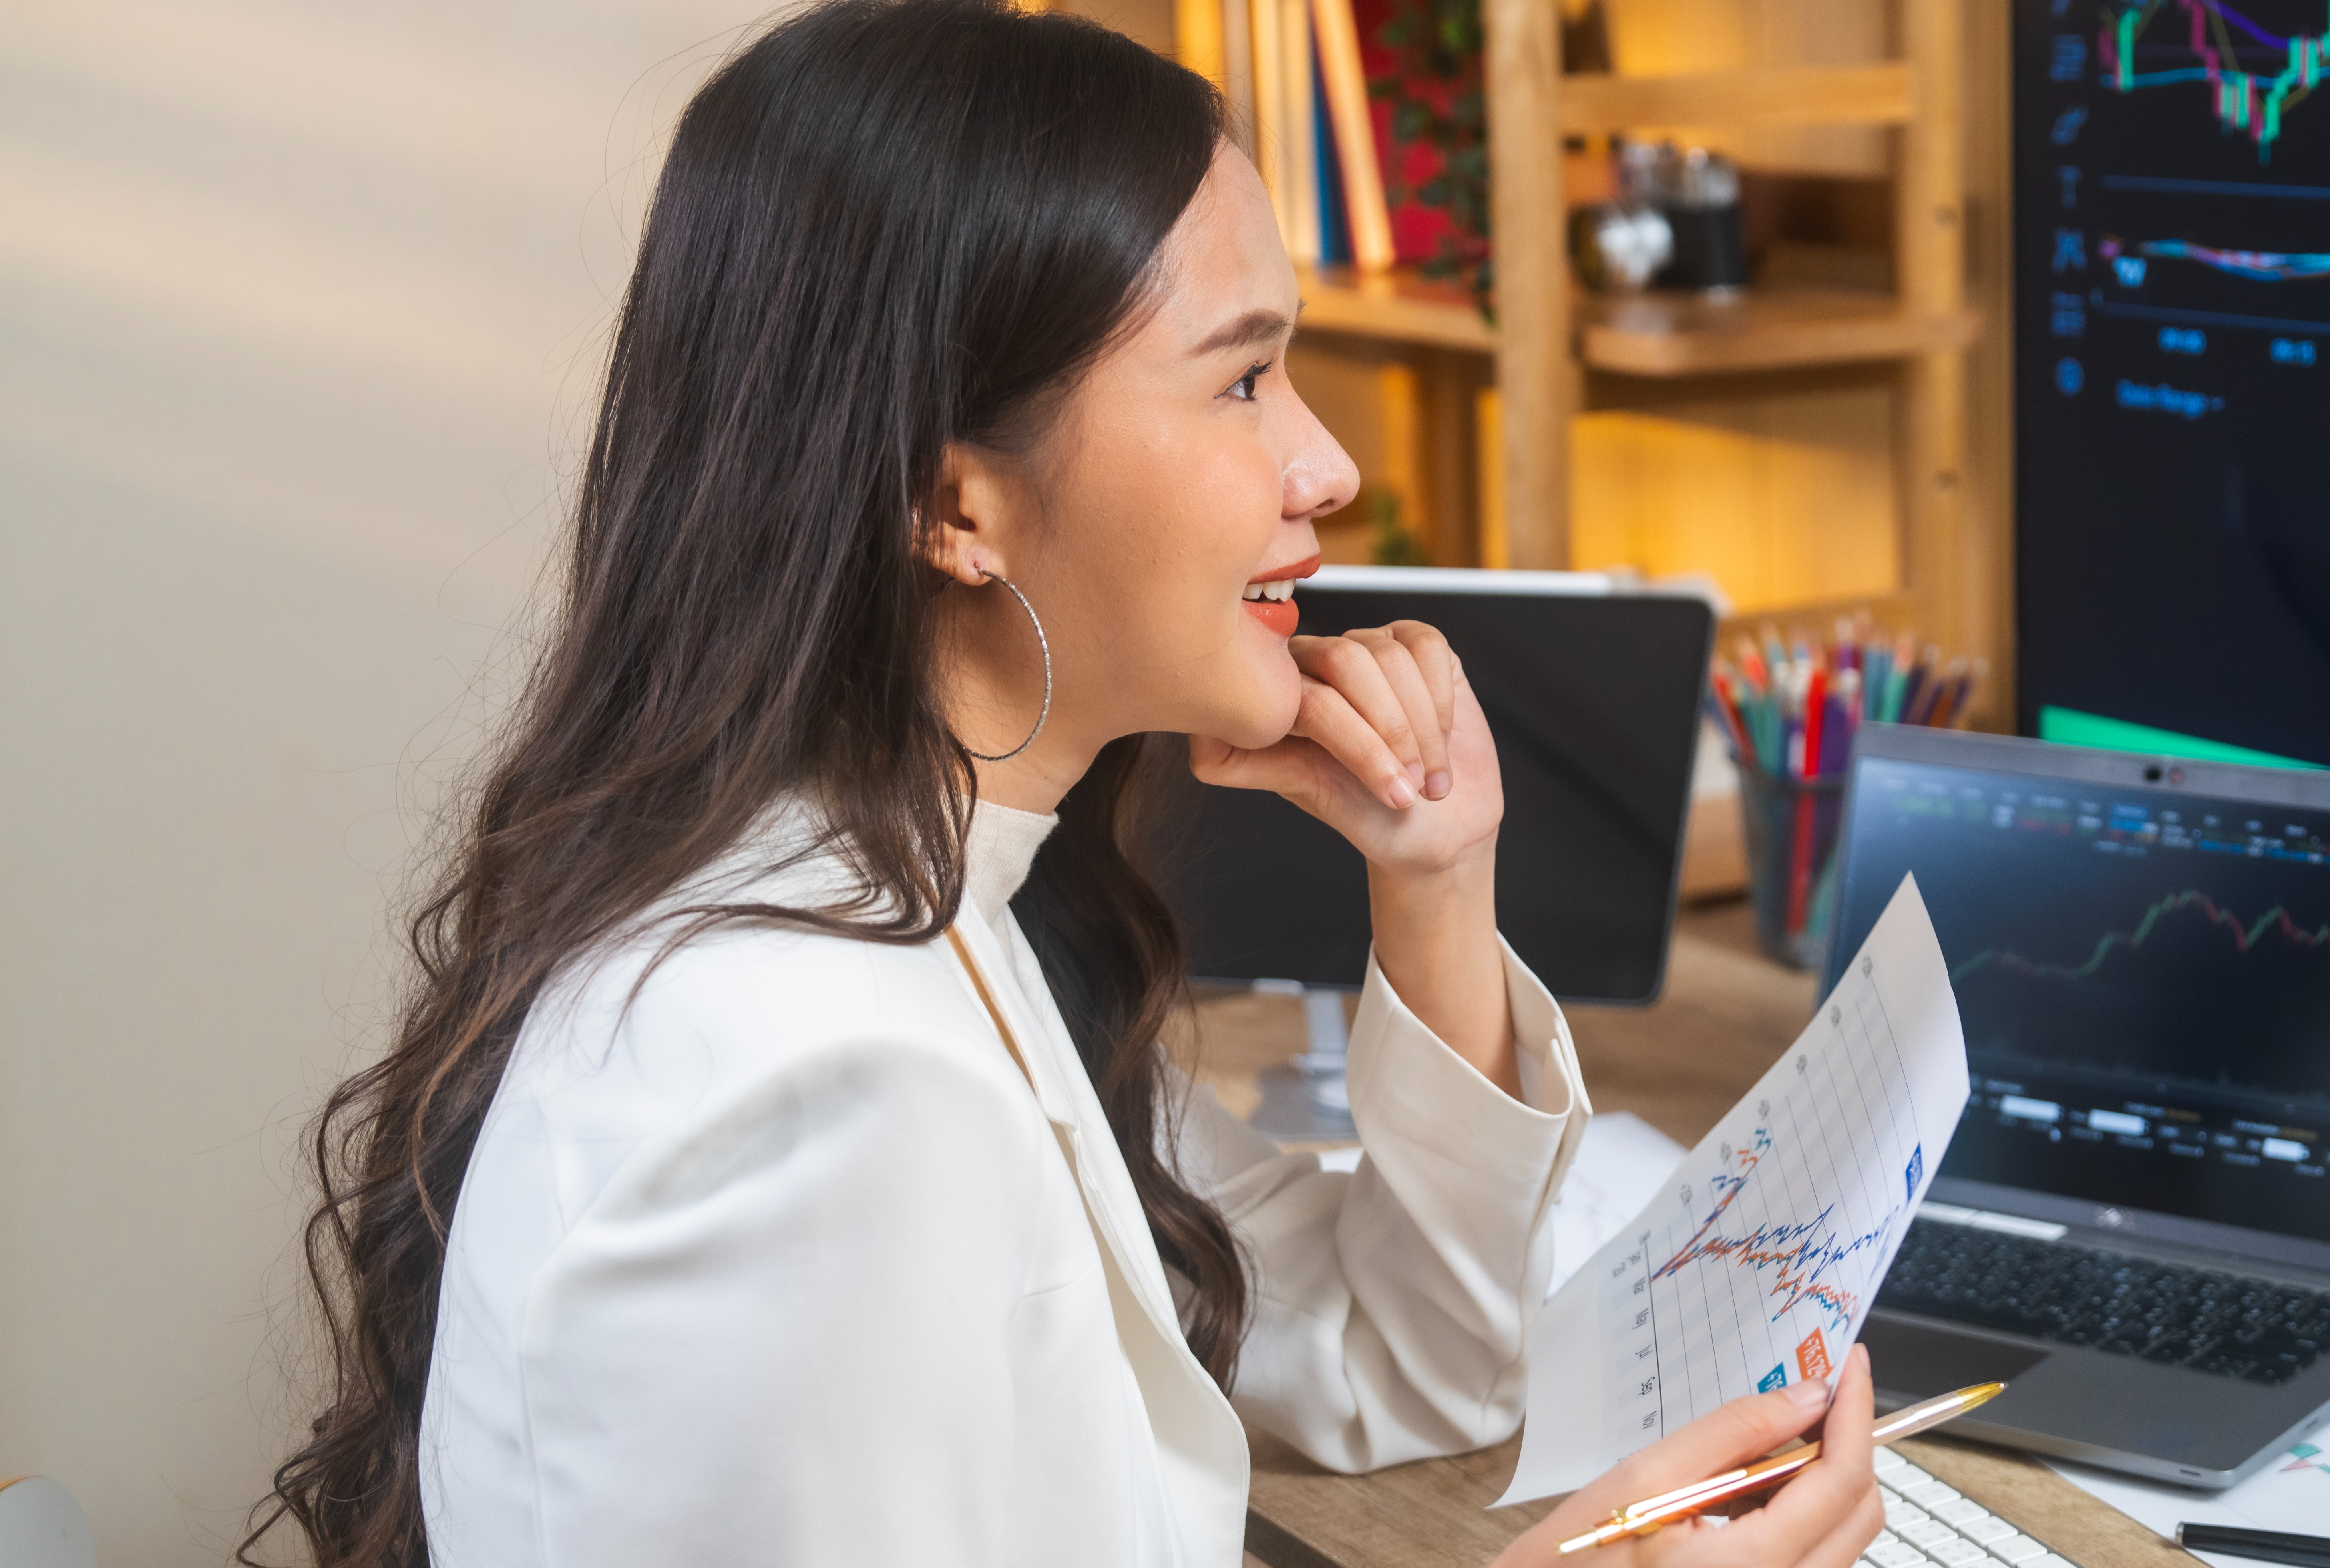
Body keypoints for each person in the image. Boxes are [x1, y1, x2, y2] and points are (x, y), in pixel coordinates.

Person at [249, 4, 1886, 1566]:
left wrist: (1435, 885)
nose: (1329, 467)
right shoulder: (826, 1095)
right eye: (1243, 379)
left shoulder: (961, 915)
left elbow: (1389, 1361)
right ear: (954, 505)